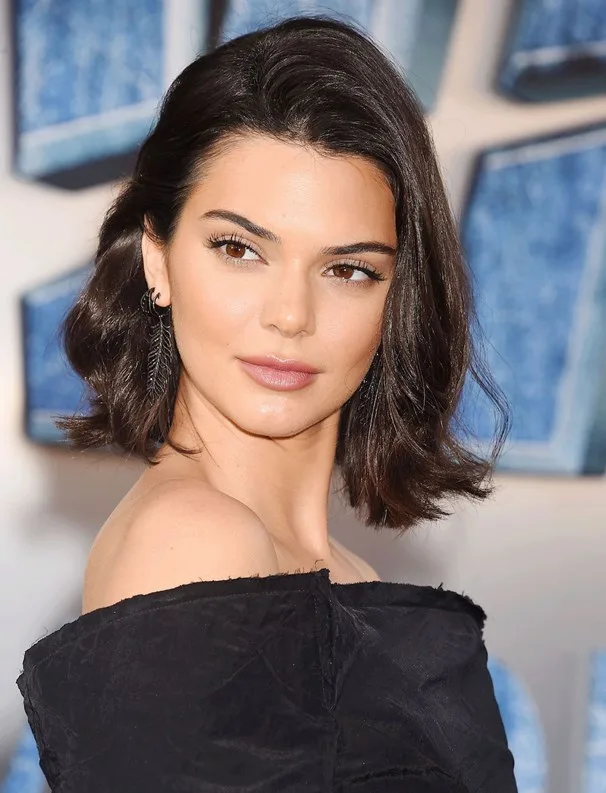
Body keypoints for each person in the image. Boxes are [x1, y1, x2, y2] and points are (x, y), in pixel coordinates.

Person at [16, 16, 516, 793]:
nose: (290, 316)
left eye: (348, 269)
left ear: (396, 298)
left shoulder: (338, 572)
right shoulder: (195, 541)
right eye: (240, 249)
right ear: (158, 259)